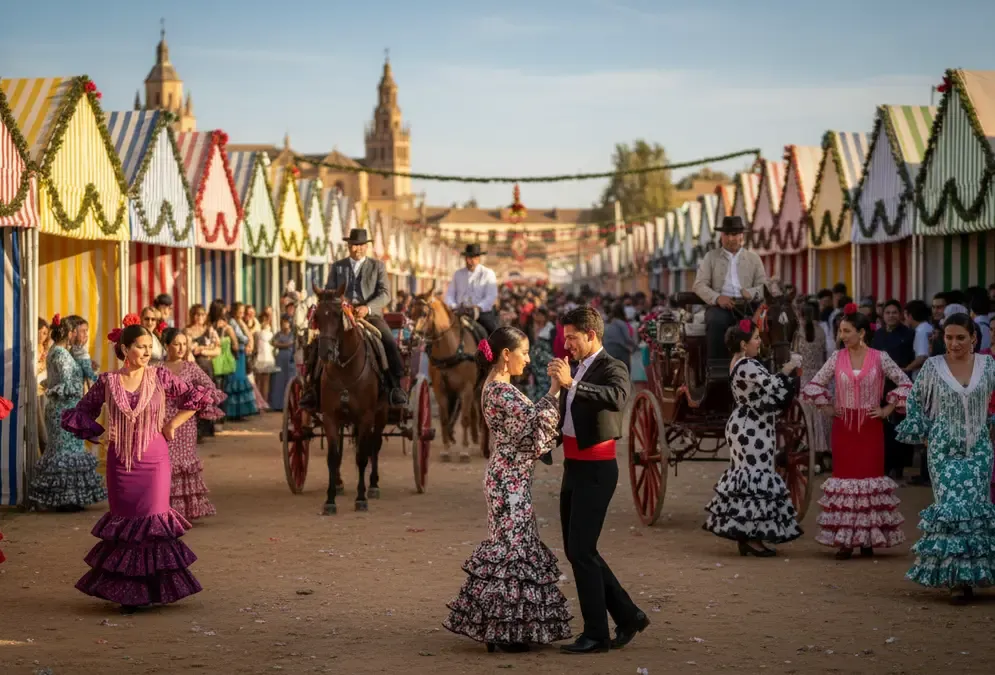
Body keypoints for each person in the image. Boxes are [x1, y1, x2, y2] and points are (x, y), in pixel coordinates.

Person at [61, 316, 218, 614]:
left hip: (155, 460)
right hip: (120, 463)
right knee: (126, 524)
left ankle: (153, 588)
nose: (147, 352)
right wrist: (101, 432)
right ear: (124, 348)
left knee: (153, 522)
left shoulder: (160, 376)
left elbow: (197, 397)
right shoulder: (107, 381)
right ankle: (127, 594)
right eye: (141, 347)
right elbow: (79, 414)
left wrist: (173, 423)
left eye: (150, 347)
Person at [443, 328, 572, 652]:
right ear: (505, 355)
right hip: (508, 480)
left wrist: (552, 393)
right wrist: (556, 390)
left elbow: (531, 426)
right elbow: (535, 428)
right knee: (513, 551)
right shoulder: (501, 391)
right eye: (524, 352)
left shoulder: (498, 388)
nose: (528, 359)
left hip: (508, 477)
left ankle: (504, 626)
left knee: (511, 547)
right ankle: (507, 631)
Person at [547, 306, 647, 654]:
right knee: (579, 552)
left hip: (598, 469)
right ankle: (628, 615)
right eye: (565, 337)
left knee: (581, 551)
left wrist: (573, 383)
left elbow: (618, 398)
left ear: (591, 335)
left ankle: (596, 634)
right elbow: (565, 420)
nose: (566, 344)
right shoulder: (573, 368)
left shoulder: (612, 367)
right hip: (573, 467)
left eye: (572, 337)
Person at [896, 313, 995, 604]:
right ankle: (956, 581)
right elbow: (914, 400)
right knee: (951, 511)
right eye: (949, 337)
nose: (954, 343)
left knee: (975, 512)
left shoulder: (989, 365)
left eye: (960, 337)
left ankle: (974, 575)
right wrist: (923, 432)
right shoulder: (933, 367)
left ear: (974, 338)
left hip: (979, 450)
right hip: (943, 451)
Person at [800, 304, 912, 560]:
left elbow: (905, 383)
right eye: (840, 331)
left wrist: (888, 408)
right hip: (844, 428)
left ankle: (867, 540)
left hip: (871, 428)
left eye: (847, 331)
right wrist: (827, 407)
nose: (842, 336)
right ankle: (845, 541)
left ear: (861, 333)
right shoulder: (836, 358)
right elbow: (814, 384)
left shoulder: (880, 357)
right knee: (846, 482)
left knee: (868, 481)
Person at [703, 318, 803, 555]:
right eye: (755, 338)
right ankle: (752, 539)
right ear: (743, 345)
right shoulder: (747, 364)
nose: (760, 342)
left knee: (748, 479)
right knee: (755, 478)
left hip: (749, 425)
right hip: (752, 429)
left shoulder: (739, 362)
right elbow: (772, 385)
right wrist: (789, 368)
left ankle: (747, 536)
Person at [304, 228, 406, 408]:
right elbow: (329, 292)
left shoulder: (377, 266)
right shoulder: (338, 266)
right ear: (348, 246)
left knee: (388, 341)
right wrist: (338, 303)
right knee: (319, 342)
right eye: (353, 245)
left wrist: (367, 307)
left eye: (360, 245)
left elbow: (385, 294)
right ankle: (312, 387)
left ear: (366, 247)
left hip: (370, 316)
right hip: (341, 316)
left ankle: (395, 387)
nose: (356, 249)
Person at [29, 313, 107, 511]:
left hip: (67, 409)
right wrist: (85, 370)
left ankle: (68, 498)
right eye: (81, 331)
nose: (84, 336)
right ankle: (65, 500)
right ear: (71, 332)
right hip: (64, 410)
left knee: (65, 451)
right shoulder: (61, 353)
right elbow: (67, 382)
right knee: (64, 452)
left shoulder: (62, 351)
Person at [160, 328, 226, 520]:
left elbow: (210, 389)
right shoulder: (156, 367)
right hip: (161, 422)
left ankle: (184, 511)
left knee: (183, 463)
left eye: (184, 344)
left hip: (185, 422)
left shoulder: (191, 367)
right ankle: (163, 507)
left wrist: (193, 402)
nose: (181, 348)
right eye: (176, 344)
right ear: (166, 345)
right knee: (165, 464)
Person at [691, 216, 768, 369]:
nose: (730, 238)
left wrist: (750, 293)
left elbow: (763, 287)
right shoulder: (711, 257)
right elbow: (699, 285)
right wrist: (717, 298)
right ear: (722, 236)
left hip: (748, 307)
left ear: (741, 236)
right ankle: (717, 369)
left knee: (760, 326)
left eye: (734, 234)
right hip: (721, 307)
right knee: (715, 321)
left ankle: (762, 367)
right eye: (726, 234)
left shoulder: (753, 259)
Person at [871, 300, 915, 481]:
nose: (891, 315)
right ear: (883, 315)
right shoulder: (878, 335)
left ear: (901, 314)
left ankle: (899, 467)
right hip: (881, 386)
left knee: (901, 426)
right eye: (888, 312)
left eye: (894, 312)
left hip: (901, 386)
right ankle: (885, 465)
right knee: (885, 427)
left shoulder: (909, 334)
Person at [445, 243, 499, 336]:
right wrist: (454, 306)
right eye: (468, 258)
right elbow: (450, 294)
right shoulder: (458, 274)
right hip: (460, 313)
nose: (470, 261)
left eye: (473, 258)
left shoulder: (488, 273)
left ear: (478, 258)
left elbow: (491, 296)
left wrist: (477, 307)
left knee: (494, 334)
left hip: (481, 314)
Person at [253, 309, 280, 406]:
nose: (265, 321)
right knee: (259, 381)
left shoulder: (270, 330)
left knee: (265, 381)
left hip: (267, 357)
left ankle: (264, 402)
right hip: (260, 357)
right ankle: (258, 402)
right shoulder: (258, 331)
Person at [602, 303, 638, 373]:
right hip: (620, 351)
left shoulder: (606, 323)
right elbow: (628, 338)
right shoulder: (621, 323)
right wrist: (635, 347)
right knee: (625, 371)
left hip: (607, 351)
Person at [269, 316, 296, 411]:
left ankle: (291, 405)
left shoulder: (293, 334)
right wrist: (286, 345)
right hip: (280, 358)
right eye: (283, 322)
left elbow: (294, 344)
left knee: (289, 381)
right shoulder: (278, 334)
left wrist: (281, 344)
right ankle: (277, 405)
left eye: (287, 322)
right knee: (278, 381)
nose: (285, 324)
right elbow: (272, 342)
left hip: (290, 359)